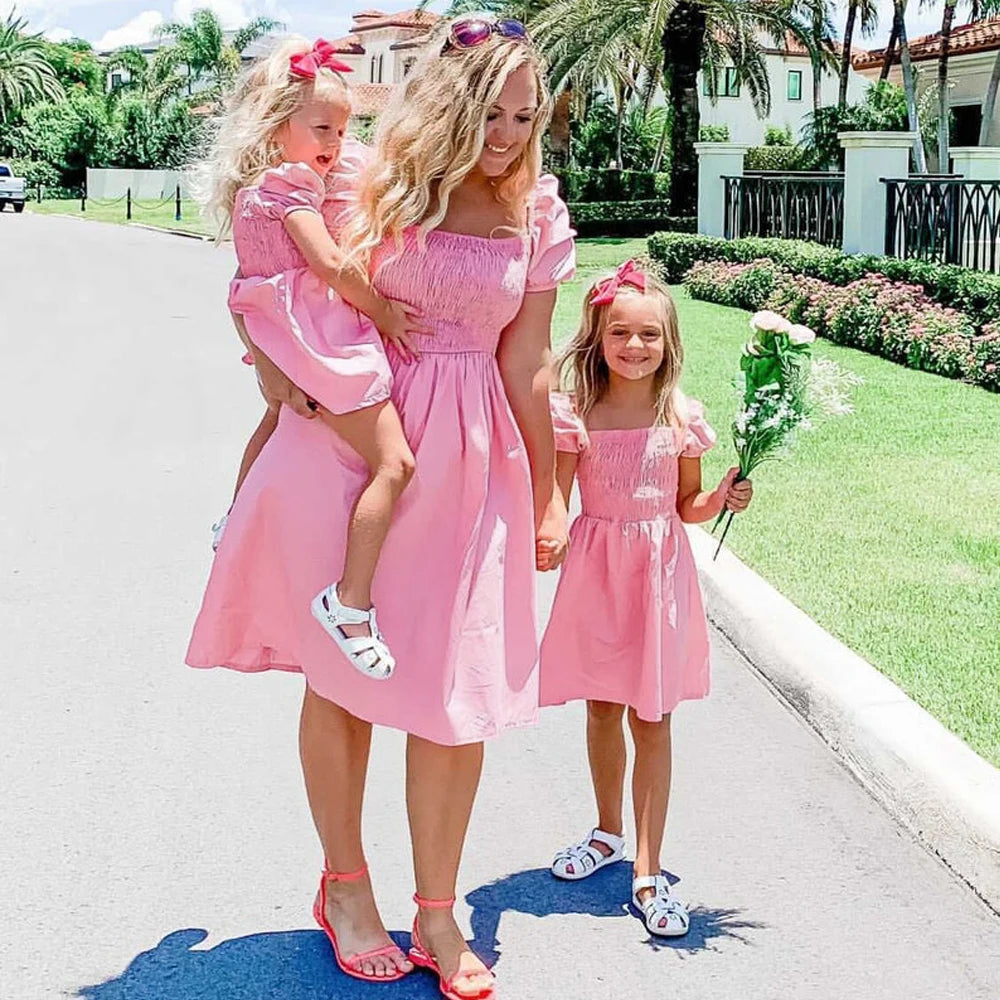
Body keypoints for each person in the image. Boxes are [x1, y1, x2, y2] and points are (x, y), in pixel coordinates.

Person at [186, 15, 574, 997]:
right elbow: (267, 276)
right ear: (446, 98)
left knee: (455, 690)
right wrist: (285, 385)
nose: (508, 132)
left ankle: (438, 912)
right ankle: (346, 886)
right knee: (345, 675)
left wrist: (553, 494)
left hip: (473, 448)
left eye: (526, 115)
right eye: (492, 110)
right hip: (356, 440)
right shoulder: (360, 180)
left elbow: (526, 362)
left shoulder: (538, 213)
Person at [199, 36, 431, 679]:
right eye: (323, 126)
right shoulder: (293, 185)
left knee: (274, 422)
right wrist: (382, 311)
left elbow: (246, 284)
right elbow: (326, 260)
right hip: (318, 336)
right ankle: (349, 602)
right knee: (394, 461)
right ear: (279, 130)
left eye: (345, 126)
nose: (337, 139)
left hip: (284, 330)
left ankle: (235, 519)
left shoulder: (268, 184)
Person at [538, 260, 753, 937]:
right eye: (620, 333)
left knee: (652, 716)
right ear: (597, 338)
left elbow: (688, 505)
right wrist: (546, 531)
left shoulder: (679, 413)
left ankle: (648, 867)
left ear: (669, 342)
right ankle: (605, 833)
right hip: (598, 572)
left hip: (657, 574)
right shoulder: (576, 412)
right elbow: (558, 499)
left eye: (650, 335)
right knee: (603, 706)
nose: (635, 347)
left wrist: (720, 497)